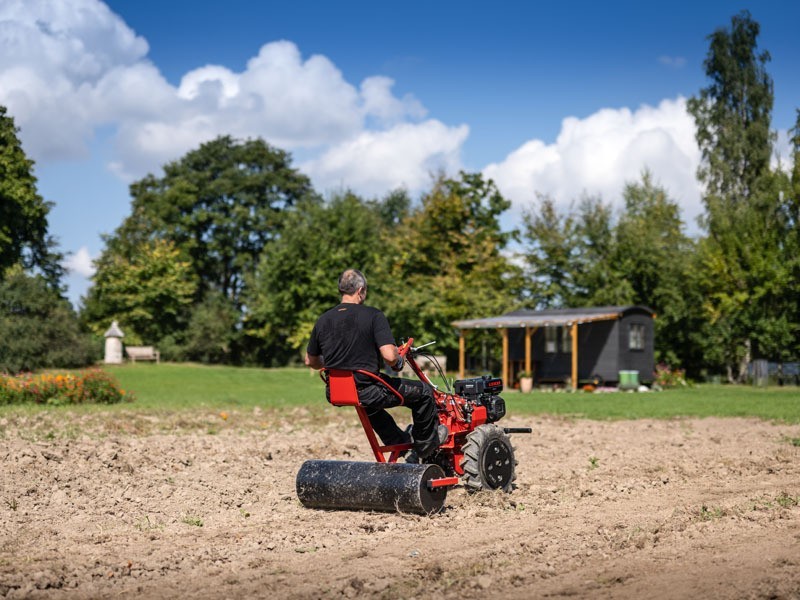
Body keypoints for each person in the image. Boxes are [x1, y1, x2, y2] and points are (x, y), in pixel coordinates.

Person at [305, 268, 447, 460]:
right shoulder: (373, 315)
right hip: (368, 389)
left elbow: (311, 360)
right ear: (360, 290)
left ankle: (399, 441)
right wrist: (398, 359)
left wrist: (333, 365)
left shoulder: (323, 320)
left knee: (370, 405)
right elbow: (389, 356)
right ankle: (426, 446)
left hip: (337, 391)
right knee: (424, 392)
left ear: (341, 289)